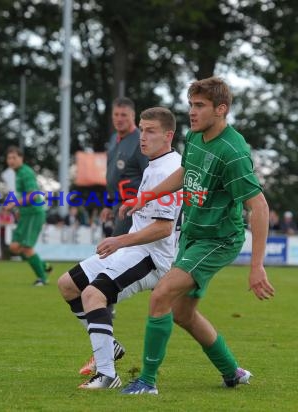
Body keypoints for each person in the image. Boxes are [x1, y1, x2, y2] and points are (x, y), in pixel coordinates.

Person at [120, 77, 275, 395]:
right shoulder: (195, 136)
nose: (192, 111)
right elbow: (184, 172)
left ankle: (147, 381)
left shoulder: (233, 150)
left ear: (221, 109)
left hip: (218, 239)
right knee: (183, 313)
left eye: (200, 106)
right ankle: (232, 372)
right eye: (191, 104)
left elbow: (258, 206)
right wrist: (147, 196)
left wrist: (257, 265)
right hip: (193, 234)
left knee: (160, 295)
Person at [57, 107, 182, 389]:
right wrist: (133, 204)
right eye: (142, 129)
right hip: (135, 248)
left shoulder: (169, 168)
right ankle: (108, 346)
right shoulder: (156, 163)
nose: (142, 136)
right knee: (67, 284)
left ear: (168, 135)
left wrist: (119, 240)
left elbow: (163, 228)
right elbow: (151, 209)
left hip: (153, 256)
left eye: (150, 131)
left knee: (92, 294)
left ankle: (107, 375)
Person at [99, 97, 148, 237]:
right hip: (116, 205)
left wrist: (139, 204)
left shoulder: (141, 141)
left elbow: (149, 176)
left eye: (124, 115)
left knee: (112, 250)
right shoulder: (114, 138)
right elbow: (111, 176)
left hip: (132, 207)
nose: (119, 119)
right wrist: (108, 205)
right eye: (116, 114)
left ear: (133, 116)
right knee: (116, 252)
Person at [4, 146, 52, 286]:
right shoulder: (18, 173)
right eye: (9, 158)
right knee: (14, 247)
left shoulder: (26, 172)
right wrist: (19, 209)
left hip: (34, 214)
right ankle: (44, 266)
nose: (11, 161)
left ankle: (42, 279)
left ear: (21, 158)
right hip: (26, 214)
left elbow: (33, 195)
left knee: (26, 247)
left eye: (14, 157)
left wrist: (13, 204)